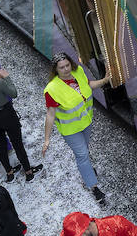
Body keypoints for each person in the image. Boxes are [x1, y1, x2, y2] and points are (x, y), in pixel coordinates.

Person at [43, 52, 110, 204]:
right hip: (70, 130)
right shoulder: (51, 89)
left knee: (84, 151)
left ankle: (87, 172)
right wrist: (47, 139)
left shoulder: (78, 71)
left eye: (67, 65)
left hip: (86, 122)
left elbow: (89, 85)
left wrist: (105, 80)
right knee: (82, 155)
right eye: (62, 68)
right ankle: (94, 187)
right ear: (56, 70)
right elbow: (50, 115)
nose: (66, 69)